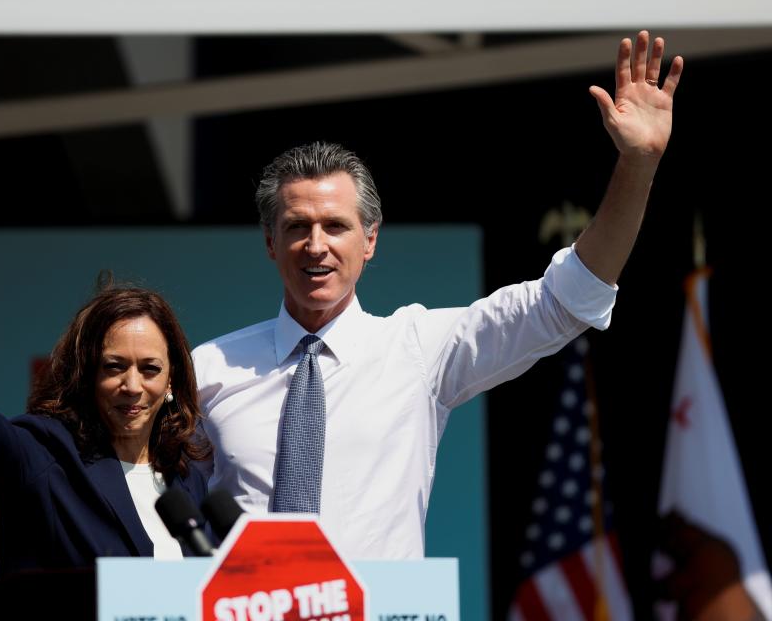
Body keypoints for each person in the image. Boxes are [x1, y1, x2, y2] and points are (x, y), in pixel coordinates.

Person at [192, 31, 684, 559]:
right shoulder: (208, 370)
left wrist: (638, 165)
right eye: (297, 227)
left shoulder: (417, 350)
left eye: (335, 226)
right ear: (270, 242)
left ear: (370, 241)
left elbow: (566, 300)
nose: (316, 246)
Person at [0, 162, 210, 572]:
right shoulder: (43, 457)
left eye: (150, 369)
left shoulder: (188, 477)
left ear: (172, 379)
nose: (132, 385)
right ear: (86, 372)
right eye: (114, 366)